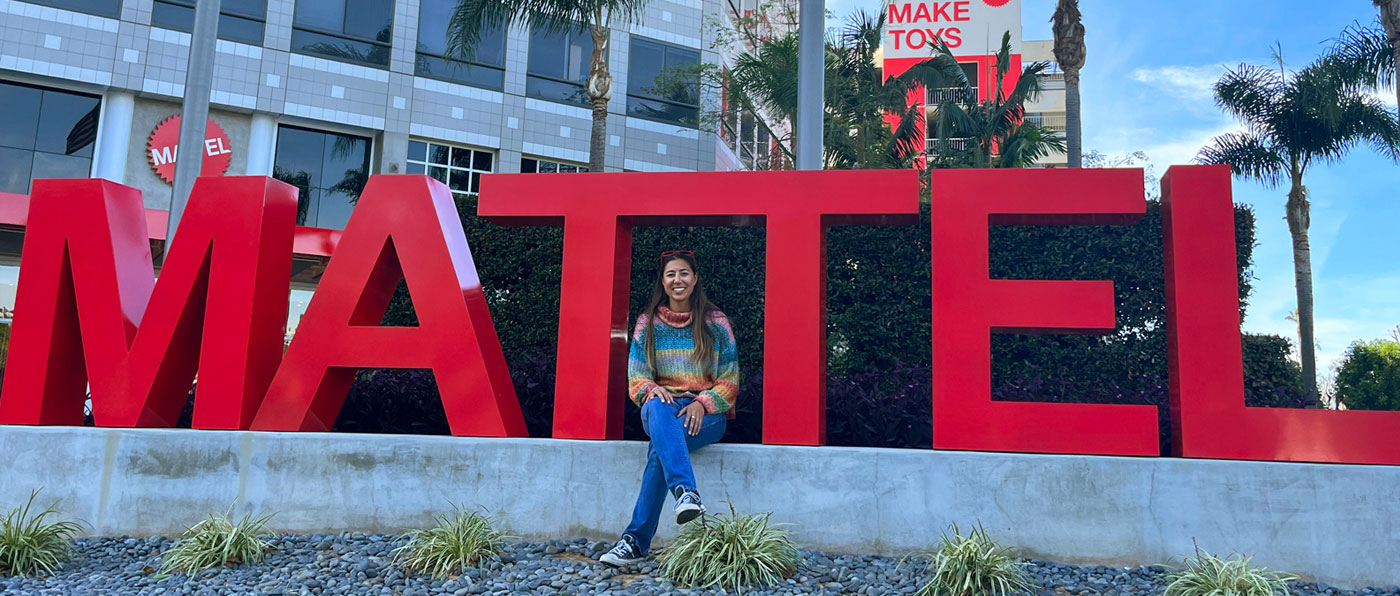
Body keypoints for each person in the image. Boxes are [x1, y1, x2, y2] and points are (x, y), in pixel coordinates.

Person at [599, 249, 740, 567]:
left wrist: (703, 403)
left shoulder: (716, 324)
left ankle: (634, 542)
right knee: (660, 407)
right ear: (663, 282)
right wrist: (653, 388)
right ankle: (686, 493)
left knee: (659, 451)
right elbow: (637, 378)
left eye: (684, 273)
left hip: (706, 416)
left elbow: (729, 380)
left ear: (695, 279)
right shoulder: (648, 324)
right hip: (660, 408)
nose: (678, 280)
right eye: (671, 274)